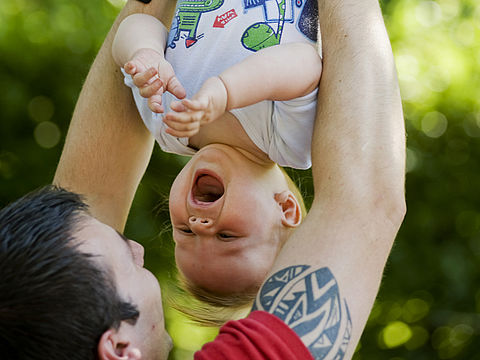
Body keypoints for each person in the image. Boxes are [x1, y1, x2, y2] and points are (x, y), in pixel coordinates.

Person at [1, 0, 405, 359]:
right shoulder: (286, 136)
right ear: (119, 348)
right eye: (128, 261)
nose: (140, 250)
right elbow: (363, 205)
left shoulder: (171, 119)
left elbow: (86, 202)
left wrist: (144, 49)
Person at [110, 0, 321, 314]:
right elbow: (305, 63)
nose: (199, 223)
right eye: (226, 236)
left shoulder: (166, 124)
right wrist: (226, 91)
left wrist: (145, 52)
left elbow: (136, 23)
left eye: (185, 232)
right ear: (285, 208)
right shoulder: (289, 142)